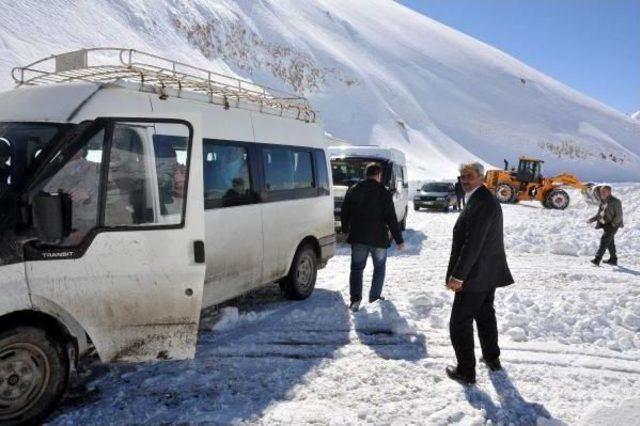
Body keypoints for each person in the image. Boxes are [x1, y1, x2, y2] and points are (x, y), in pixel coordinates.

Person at [445, 162, 514, 385]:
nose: (465, 180)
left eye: (469, 176)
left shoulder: (482, 201)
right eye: (462, 176)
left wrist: (458, 276)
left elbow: (473, 243)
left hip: (474, 275)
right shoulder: (480, 197)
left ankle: (466, 370)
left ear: (481, 177)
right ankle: (492, 357)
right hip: (486, 273)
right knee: (485, 314)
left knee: (459, 322)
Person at [341, 163, 406, 312]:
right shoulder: (383, 192)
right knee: (379, 268)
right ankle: (374, 297)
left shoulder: (353, 189)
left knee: (357, 269)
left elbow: (345, 211)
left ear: (366, 174)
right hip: (378, 239)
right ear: (378, 175)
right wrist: (399, 241)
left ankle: (355, 300)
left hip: (358, 237)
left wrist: (345, 229)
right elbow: (391, 218)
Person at [587, 185, 623, 266]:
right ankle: (613, 259)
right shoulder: (603, 201)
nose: (601, 193)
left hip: (613, 225)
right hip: (605, 224)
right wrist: (592, 219)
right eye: (601, 192)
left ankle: (597, 259)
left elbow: (619, 215)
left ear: (609, 192)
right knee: (610, 242)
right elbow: (600, 214)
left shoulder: (616, 201)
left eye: (604, 191)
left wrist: (613, 224)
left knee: (604, 240)